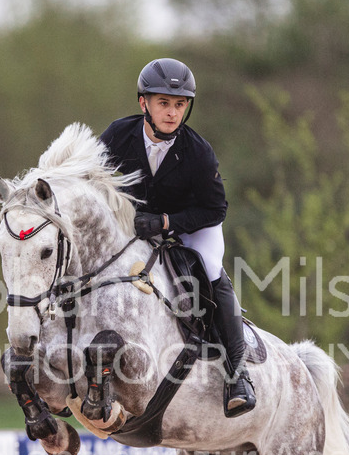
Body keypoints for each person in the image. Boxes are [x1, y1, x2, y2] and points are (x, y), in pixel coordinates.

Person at [99, 58, 255, 416]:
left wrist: (168, 222)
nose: (172, 113)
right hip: (134, 226)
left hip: (192, 226)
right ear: (144, 104)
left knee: (212, 269)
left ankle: (238, 373)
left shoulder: (198, 153)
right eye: (164, 103)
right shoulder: (116, 137)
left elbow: (215, 210)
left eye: (180, 104)